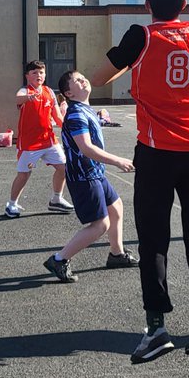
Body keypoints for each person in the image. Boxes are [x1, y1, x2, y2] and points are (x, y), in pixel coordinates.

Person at [90, 0, 189, 361]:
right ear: (184, 4)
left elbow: (99, 78)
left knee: (153, 239)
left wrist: (133, 65)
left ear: (148, 4)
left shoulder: (141, 35)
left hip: (157, 149)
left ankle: (157, 327)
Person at [42, 69, 137, 282]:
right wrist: (118, 161)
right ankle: (59, 259)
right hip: (84, 177)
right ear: (69, 93)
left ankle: (116, 254)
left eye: (82, 76)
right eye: (77, 80)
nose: (83, 79)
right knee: (100, 225)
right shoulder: (76, 114)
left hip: (95, 173)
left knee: (116, 207)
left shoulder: (85, 109)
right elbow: (86, 148)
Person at [4, 61, 72, 217]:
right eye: (34, 73)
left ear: (45, 75)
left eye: (41, 72)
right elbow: (18, 99)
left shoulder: (49, 92)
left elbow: (57, 116)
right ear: (27, 76)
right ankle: (11, 204)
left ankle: (56, 199)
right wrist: (29, 97)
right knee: (24, 174)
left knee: (64, 168)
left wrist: (69, 129)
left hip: (49, 140)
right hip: (29, 144)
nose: (38, 75)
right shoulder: (25, 91)